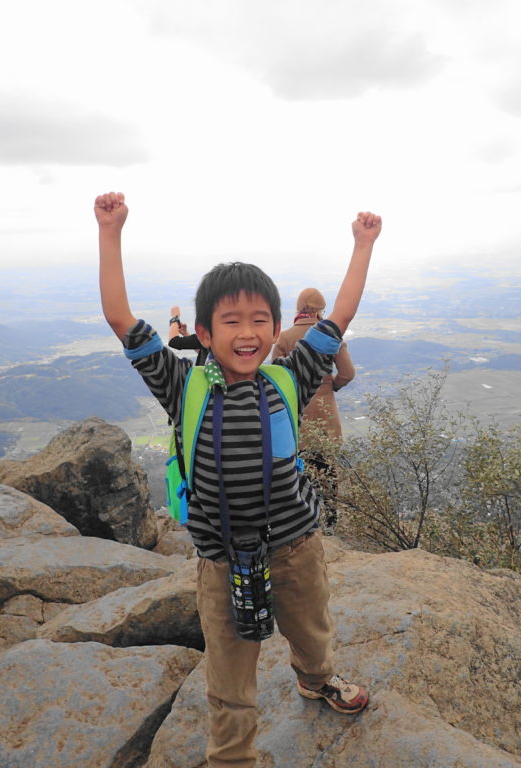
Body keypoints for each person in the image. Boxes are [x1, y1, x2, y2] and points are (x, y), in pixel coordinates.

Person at [96, 191, 381, 768]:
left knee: (311, 628)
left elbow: (341, 315)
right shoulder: (183, 387)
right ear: (204, 333)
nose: (246, 331)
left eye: (258, 320)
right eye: (231, 321)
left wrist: (362, 244)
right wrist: (110, 232)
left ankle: (316, 678)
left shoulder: (290, 377)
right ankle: (233, 759)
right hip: (223, 558)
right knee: (229, 677)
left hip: (296, 546)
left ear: (276, 328)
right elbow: (121, 319)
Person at [273, 288, 355, 528]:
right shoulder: (332, 337)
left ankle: (303, 521)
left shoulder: (285, 338)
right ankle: (330, 521)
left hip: (295, 417)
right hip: (325, 415)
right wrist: (330, 387)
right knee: (327, 469)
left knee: (299, 470)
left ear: (298, 308)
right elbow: (348, 373)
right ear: (321, 310)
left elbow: (276, 377)